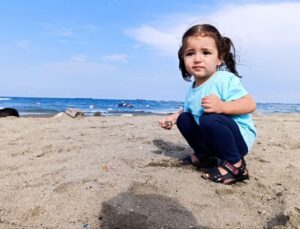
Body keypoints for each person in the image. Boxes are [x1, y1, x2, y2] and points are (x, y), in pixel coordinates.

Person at [159, 24, 256, 184]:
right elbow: (189, 108)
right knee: (184, 118)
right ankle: (205, 156)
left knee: (209, 118)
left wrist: (222, 107)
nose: (197, 59)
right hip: (214, 139)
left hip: (238, 140)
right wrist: (174, 116)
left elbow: (250, 104)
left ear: (219, 58)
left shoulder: (224, 79)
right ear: (183, 59)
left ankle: (236, 165)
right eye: (190, 54)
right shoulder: (193, 88)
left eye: (206, 53)